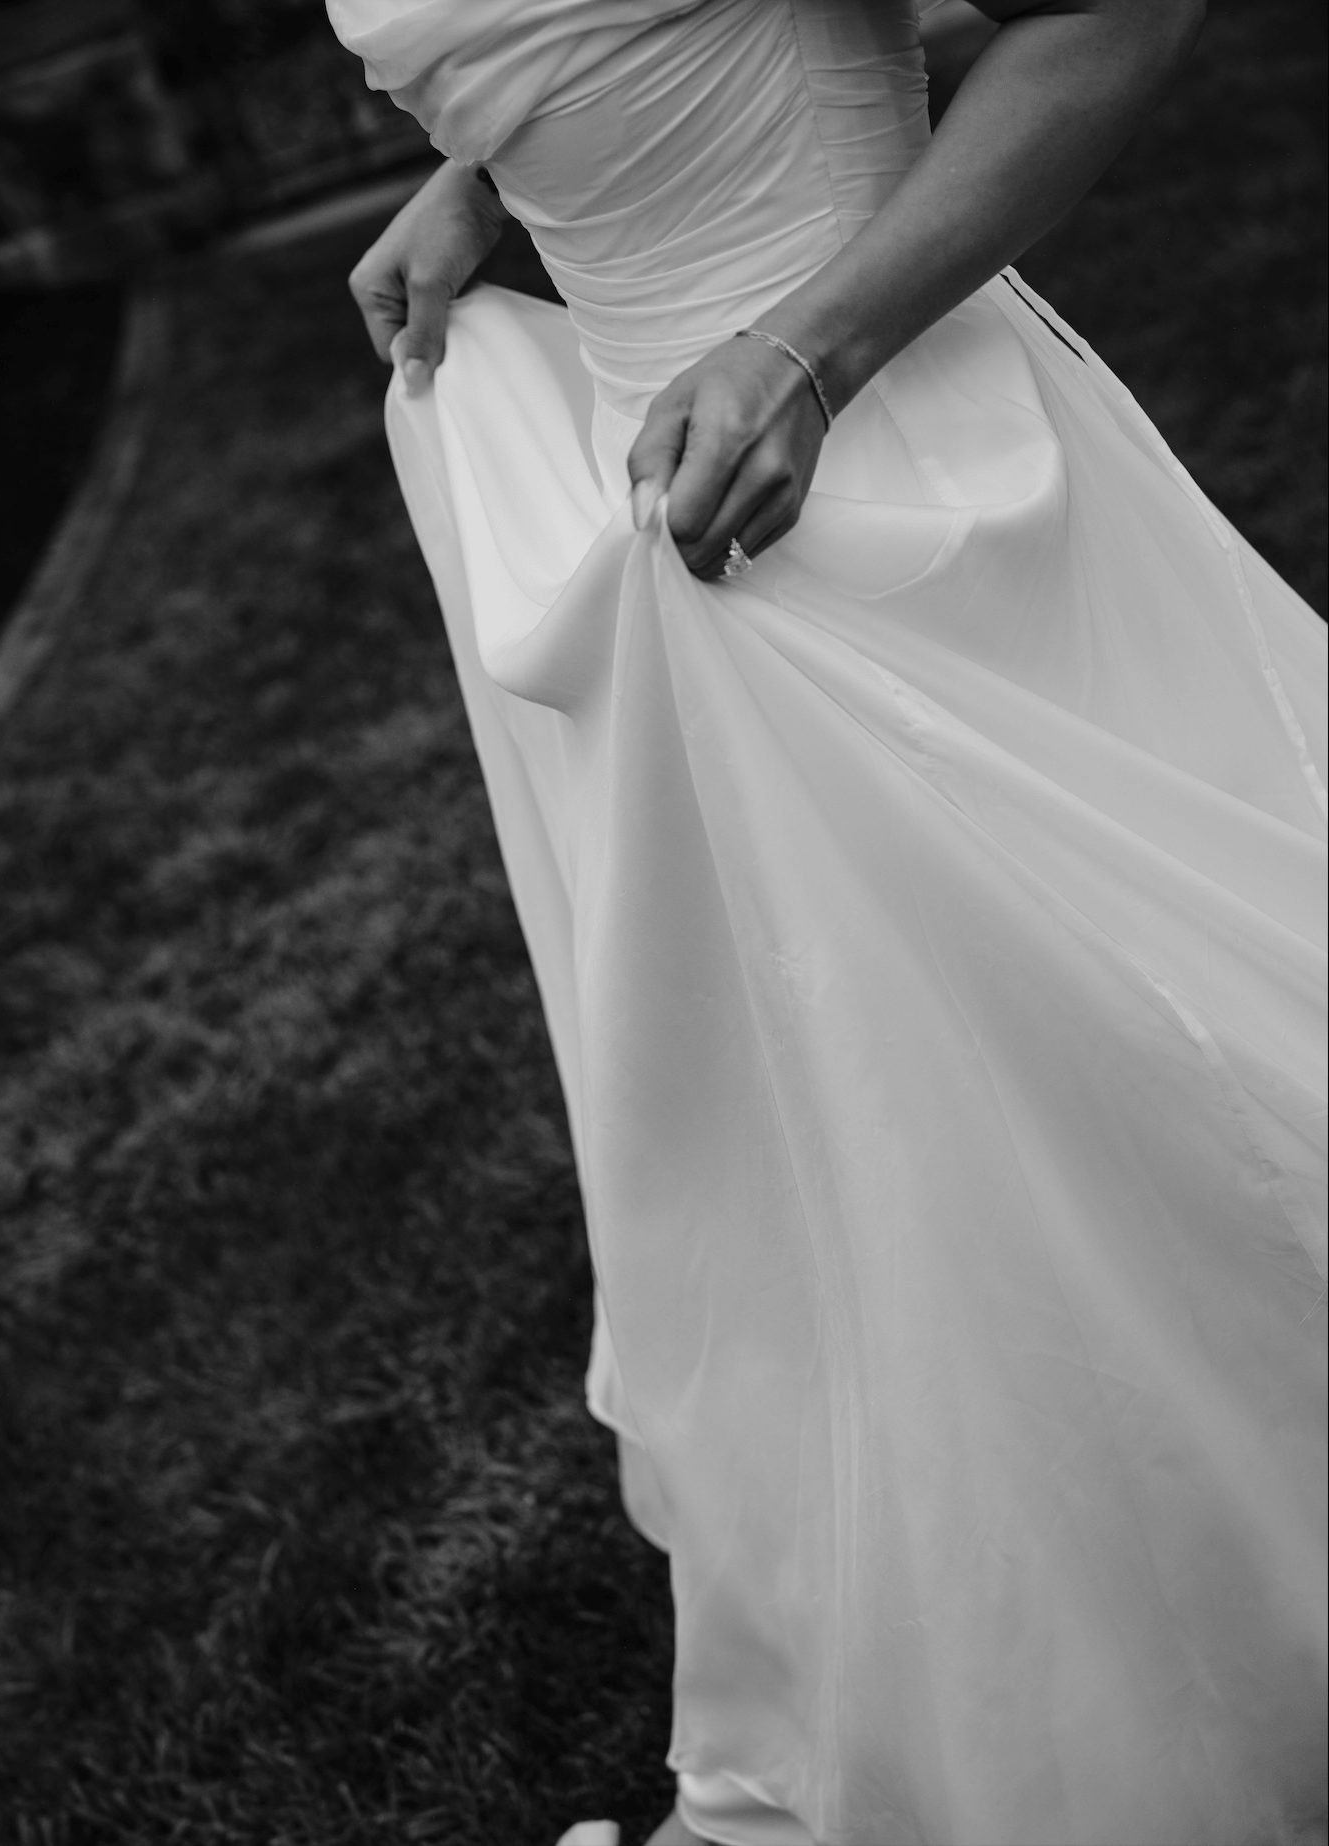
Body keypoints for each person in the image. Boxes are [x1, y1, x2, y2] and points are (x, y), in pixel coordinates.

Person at [329, 2, 1328, 1841]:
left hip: (870, 467)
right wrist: (492, 167)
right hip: (666, 501)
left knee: (1105, 1095)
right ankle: (1018, 1645)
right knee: (860, 1169)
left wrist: (808, 347)